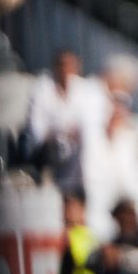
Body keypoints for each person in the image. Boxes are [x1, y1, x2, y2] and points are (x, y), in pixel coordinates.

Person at [23, 49, 108, 196]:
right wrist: (57, 134)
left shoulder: (89, 91)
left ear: (77, 67)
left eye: (69, 65)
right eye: (61, 65)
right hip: (48, 152)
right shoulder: (42, 88)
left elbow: (91, 125)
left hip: (79, 155)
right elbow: (36, 127)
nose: (65, 69)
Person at [53, 193, 102, 274]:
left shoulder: (90, 236)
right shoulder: (61, 237)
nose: (69, 212)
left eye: (73, 208)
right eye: (67, 208)